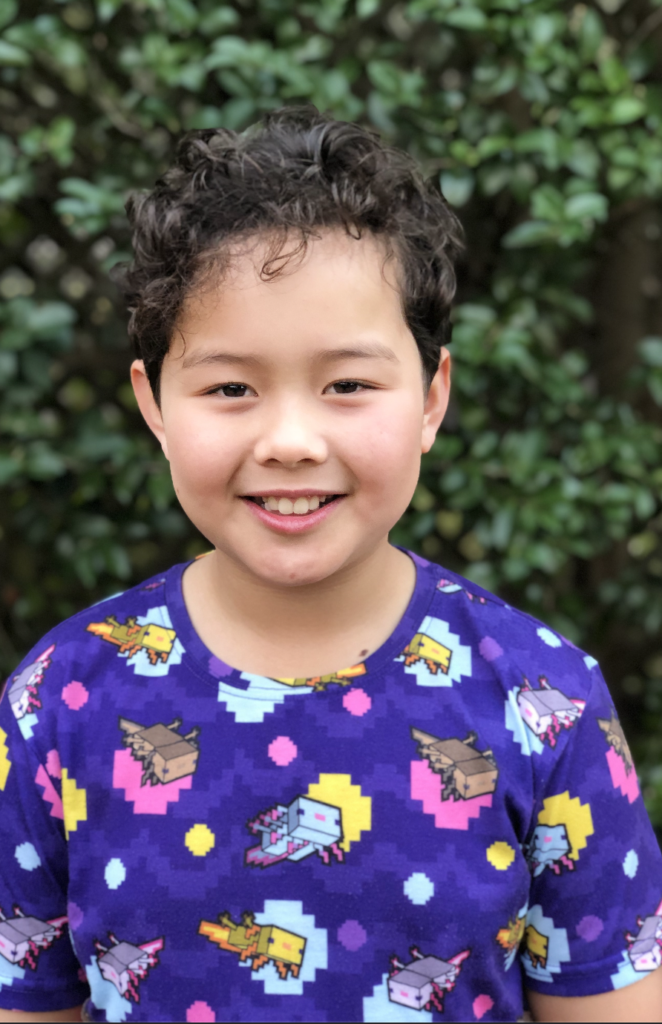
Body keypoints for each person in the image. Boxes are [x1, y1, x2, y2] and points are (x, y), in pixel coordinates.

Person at [0, 106, 660, 1024]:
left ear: (431, 398)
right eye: (231, 387)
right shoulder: (59, 701)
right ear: (154, 406)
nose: (291, 441)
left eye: (348, 384)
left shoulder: (545, 700)